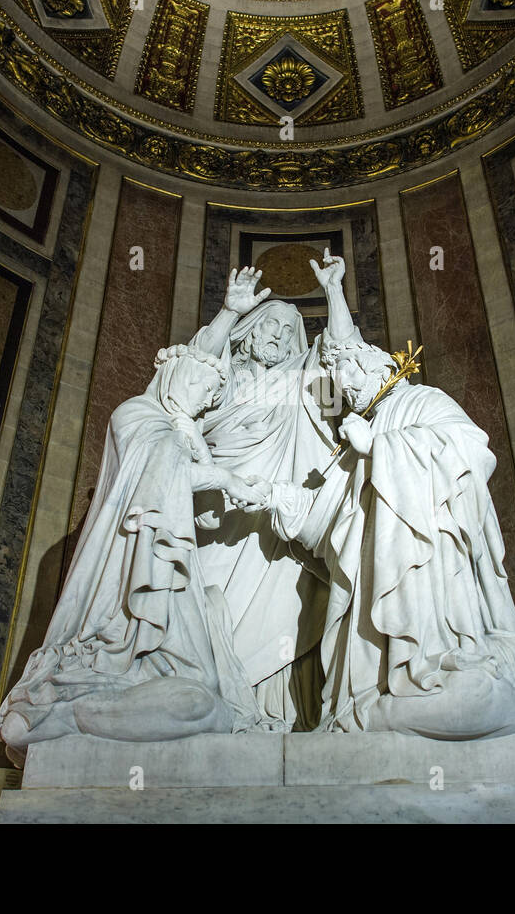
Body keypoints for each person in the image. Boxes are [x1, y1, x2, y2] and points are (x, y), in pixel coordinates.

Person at [234, 330, 515, 767]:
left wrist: (380, 447)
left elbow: (472, 452)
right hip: (372, 587)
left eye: (353, 376)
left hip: (432, 569)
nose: (349, 391)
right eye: (342, 387)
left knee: (469, 691)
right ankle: (378, 701)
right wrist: (272, 496)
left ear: (380, 367)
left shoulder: (424, 402)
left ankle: (423, 681)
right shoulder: (361, 430)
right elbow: (330, 519)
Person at [0, 344, 264, 760]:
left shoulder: (178, 431)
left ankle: (67, 715)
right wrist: (224, 475)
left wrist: (200, 447)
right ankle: (61, 716)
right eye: (203, 390)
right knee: (205, 702)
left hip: (169, 572)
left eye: (212, 399)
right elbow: (156, 478)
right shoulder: (136, 415)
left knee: (207, 697)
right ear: (178, 378)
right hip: (134, 579)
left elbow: (208, 517)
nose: (205, 403)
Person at [185, 255, 351, 728]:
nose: (278, 333)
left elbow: (342, 351)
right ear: (252, 328)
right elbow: (191, 371)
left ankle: (269, 713)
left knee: (280, 612)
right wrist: (229, 312)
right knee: (213, 609)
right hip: (216, 510)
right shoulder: (228, 373)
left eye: (288, 328)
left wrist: (334, 292)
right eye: (270, 323)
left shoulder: (301, 376)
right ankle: (211, 702)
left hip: (277, 523)